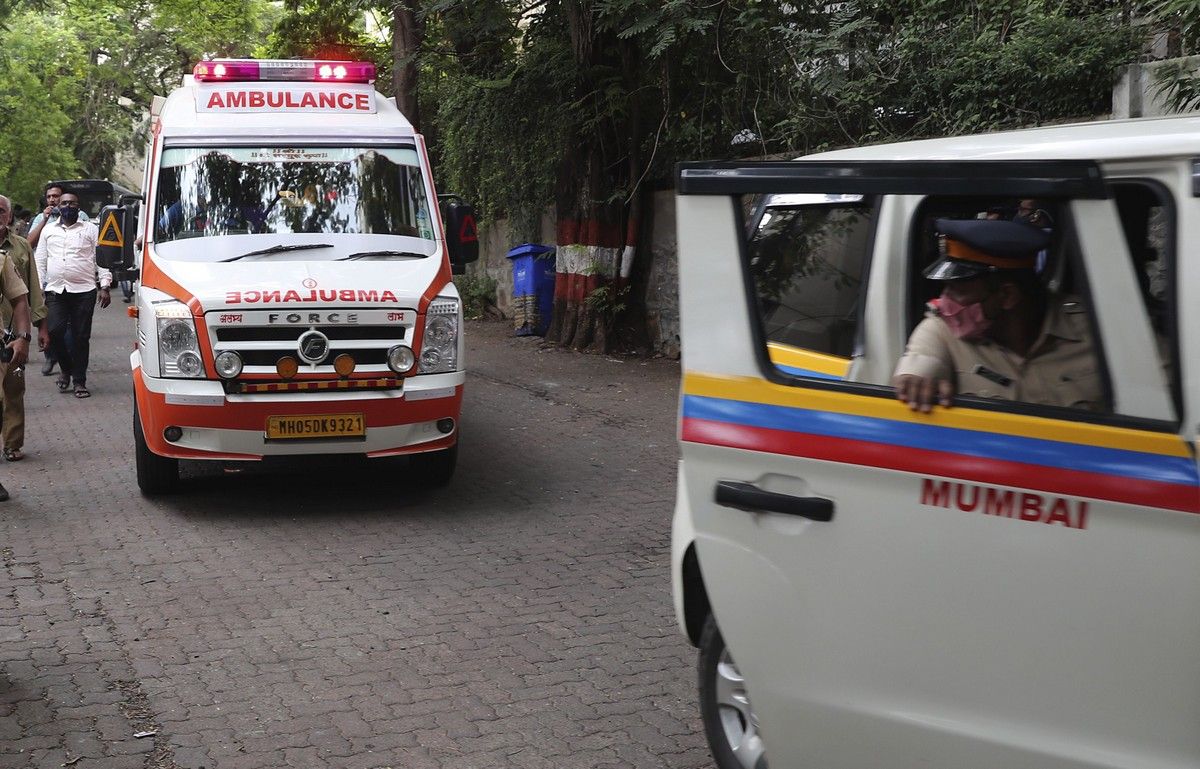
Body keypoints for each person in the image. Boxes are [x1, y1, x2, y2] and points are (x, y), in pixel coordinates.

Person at [892, 218, 1101, 413]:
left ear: (1007, 296)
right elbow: (920, 363)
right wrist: (917, 378)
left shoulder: (1096, 329)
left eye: (957, 290)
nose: (945, 300)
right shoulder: (943, 330)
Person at [33, 191, 111, 399]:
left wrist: (105, 285)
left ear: (79, 206)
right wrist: (39, 287)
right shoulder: (48, 230)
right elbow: (40, 260)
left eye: (72, 203)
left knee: (80, 337)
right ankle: (66, 368)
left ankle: (79, 381)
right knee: (54, 332)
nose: (68, 206)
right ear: (59, 206)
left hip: (84, 291)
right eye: (64, 203)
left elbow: (101, 258)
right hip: (56, 290)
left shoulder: (90, 229)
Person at [0, 196, 48, 462]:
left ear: (9, 216)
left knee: (14, 389)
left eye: (1, 211)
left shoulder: (20, 247)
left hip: (12, 334)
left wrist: (38, 329)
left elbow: (31, 292)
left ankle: (12, 443)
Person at [28, 183, 88, 376]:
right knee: (48, 325)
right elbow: (29, 244)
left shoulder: (82, 217)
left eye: (56, 196)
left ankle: (68, 367)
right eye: (49, 197)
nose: (52, 200)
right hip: (47, 280)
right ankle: (51, 357)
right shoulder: (41, 218)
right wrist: (45, 220)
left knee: (69, 328)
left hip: (74, 284)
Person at [0, 201, 35, 500]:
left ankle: (12, 444)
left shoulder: (5, 259)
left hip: (5, 342)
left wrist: (25, 336)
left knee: (10, 393)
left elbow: (23, 298)